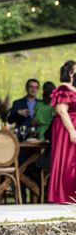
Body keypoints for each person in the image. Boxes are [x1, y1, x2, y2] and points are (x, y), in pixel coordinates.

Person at [46, 60, 76, 204]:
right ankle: (66, 194)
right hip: (67, 127)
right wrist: (72, 131)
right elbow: (61, 110)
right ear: (71, 72)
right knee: (69, 160)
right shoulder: (63, 89)